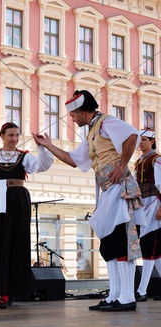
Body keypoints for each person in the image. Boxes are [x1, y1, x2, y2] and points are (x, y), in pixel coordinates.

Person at [32, 90, 146, 312]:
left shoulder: (106, 123)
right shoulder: (93, 132)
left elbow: (132, 136)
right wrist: (48, 145)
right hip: (107, 190)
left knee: (121, 240)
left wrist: (123, 165)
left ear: (83, 112)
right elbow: (73, 160)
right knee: (109, 244)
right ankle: (115, 295)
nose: (72, 119)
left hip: (119, 189)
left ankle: (126, 297)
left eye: (73, 115)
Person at [0, 122, 53, 309]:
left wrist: (42, 147)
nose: (14, 139)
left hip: (18, 201)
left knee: (16, 243)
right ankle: (1, 289)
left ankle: (10, 291)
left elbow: (42, 166)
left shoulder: (24, 157)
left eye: (17, 135)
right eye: (10, 135)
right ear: (2, 136)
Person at [134, 129, 161, 301]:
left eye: (144, 139)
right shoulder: (138, 161)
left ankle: (142, 290)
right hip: (144, 204)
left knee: (149, 245)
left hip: (154, 203)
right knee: (157, 251)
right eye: (139, 139)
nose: (141, 142)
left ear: (152, 141)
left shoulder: (156, 160)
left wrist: (160, 208)